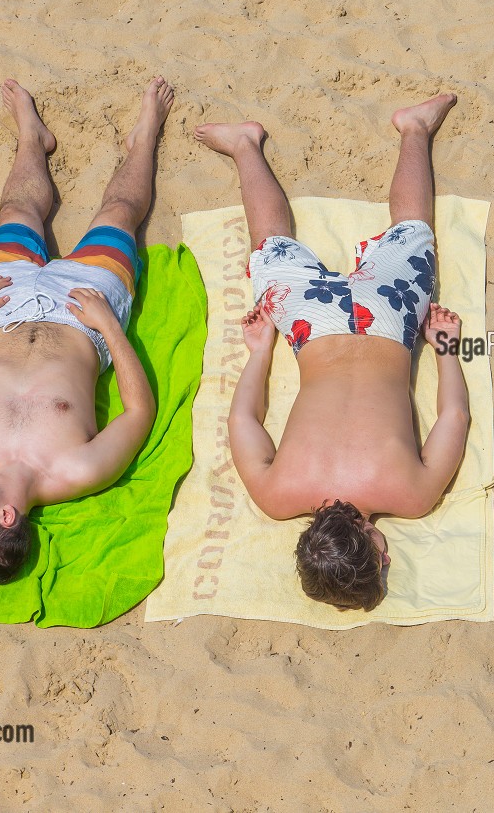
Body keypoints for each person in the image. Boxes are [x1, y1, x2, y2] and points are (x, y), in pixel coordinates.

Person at [195, 94, 471, 611]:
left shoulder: (411, 495)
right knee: (271, 244)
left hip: (387, 324)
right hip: (312, 325)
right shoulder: (278, 497)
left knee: (413, 231)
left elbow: (453, 415)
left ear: (369, 541)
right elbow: (243, 420)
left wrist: (445, 350)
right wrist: (260, 351)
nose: (390, 559)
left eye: (381, 561)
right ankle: (245, 146)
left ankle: (413, 128)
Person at [0, 77, 172, 583]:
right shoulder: (76, 472)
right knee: (119, 215)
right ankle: (143, 139)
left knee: (15, 212)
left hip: (0, 309)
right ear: (6, 517)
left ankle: (32, 139)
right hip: (86, 315)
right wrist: (109, 325)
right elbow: (139, 411)